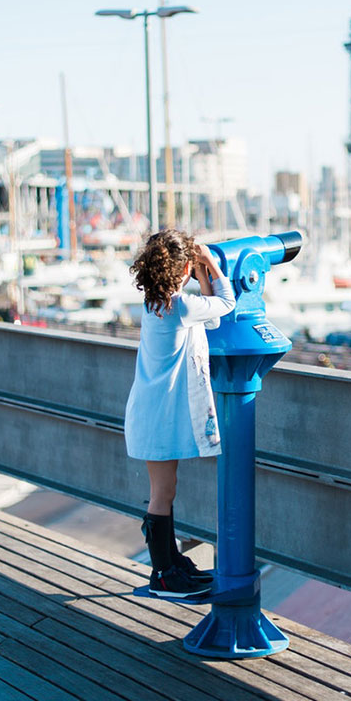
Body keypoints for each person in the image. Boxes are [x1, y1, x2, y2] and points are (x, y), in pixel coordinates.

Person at [125, 229, 235, 598]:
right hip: (157, 417)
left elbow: (211, 318)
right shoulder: (180, 307)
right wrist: (214, 266)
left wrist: (199, 270)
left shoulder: (159, 304)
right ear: (183, 268)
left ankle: (171, 563)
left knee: (165, 491)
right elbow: (226, 304)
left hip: (153, 413)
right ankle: (165, 576)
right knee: (161, 494)